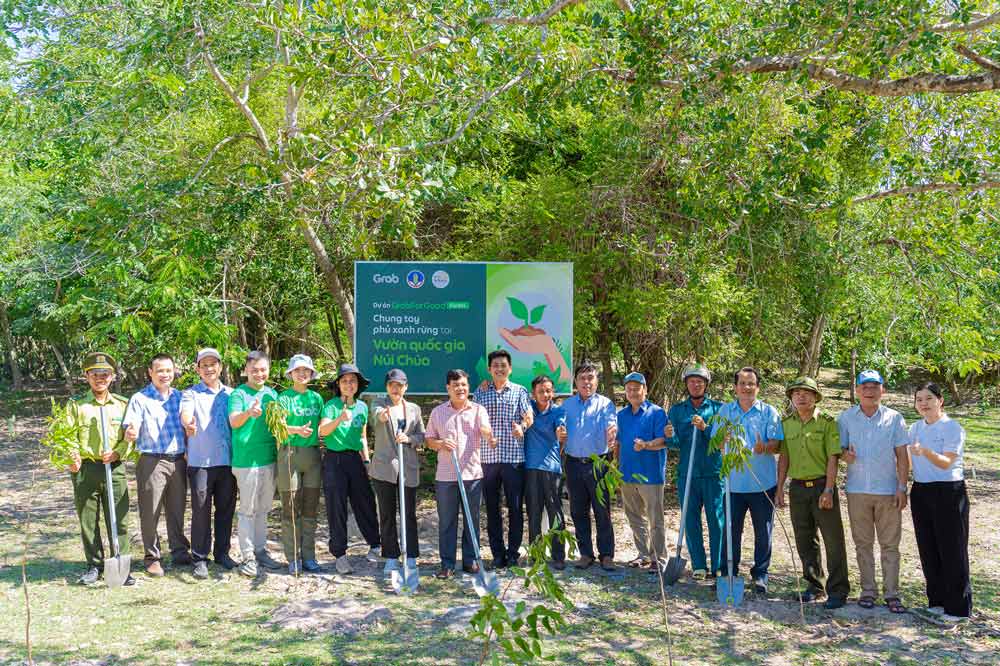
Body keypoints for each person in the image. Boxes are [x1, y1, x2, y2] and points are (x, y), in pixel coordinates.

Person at [838, 369, 910, 613]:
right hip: (857, 491)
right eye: (864, 386)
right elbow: (839, 451)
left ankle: (892, 594)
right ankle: (868, 591)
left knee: (890, 545)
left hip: (888, 491)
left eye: (874, 386)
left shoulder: (895, 418)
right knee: (863, 544)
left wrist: (902, 487)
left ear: (883, 390)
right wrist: (845, 455)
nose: (869, 391)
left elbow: (902, 456)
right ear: (857, 390)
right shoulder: (846, 418)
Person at [776, 377, 849, 609]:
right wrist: (780, 488)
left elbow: (832, 458)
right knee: (804, 540)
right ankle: (814, 584)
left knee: (833, 540)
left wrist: (828, 489)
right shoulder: (786, 423)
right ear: (791, 397)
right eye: (796, 393)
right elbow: (784, 458)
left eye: (807, 392)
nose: (801, 396)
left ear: (815, 396)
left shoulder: (827, 422)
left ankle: (838, 590)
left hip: (821, 486)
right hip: (797, 488)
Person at [63, 352, 134, 586]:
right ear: (86, 376)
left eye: (105, 374)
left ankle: (122, 563)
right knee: (88, 519)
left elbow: (129, 438)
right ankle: (94, 565)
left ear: (112, 377)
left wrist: (118, 452)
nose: (100, 378)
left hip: (114, 467)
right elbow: (67, 436)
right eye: (95, 374)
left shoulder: (123, 405)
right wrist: (72, 457)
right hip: (86, 468)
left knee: (119, 518)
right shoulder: (76, 406)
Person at [713, 367, 783, 595]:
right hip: (733, 485)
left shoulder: (768, 412)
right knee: (731, 530)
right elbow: (716, 443)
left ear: (758, 387)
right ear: (735, 387)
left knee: (763, 532)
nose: (747, 387)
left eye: (751, 383)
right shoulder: (725, 412)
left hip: (762, 484)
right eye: (742, 383)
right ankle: (728, 572)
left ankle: (760, 574)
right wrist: (722, 441)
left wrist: (766, 446)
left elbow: (778, 444)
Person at [123, 353, 191, 576]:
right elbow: (131, 425)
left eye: (168, 371)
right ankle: (152, 557)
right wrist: (130, 431)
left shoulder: (181, 397)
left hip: (178, 460)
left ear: (174, 372)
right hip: (152, 460)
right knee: (150, 511)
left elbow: (189, 423)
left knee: (177, 509)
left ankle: (179, 551)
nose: (165, 374)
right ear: (150, 373)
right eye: (160, 370)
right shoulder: (140, 399)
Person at [908, 382, 971, 621]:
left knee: (952, 548)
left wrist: (925, 452)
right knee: (928, 546)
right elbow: (909, 462)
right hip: (921, 490)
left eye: (928, 399)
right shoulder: (914, 428)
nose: (923, 404)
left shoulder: (952, 428)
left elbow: (946, 462)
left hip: (949, 492)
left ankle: (958, 608)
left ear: (940, 400)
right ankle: (937, 601)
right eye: (919, 399)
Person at [424, 369, 495, 579]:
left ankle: (470, 560)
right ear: (448, 388)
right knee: (447, 521)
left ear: (468, 387)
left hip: (472, 474)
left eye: (463, 385)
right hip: (446, 476)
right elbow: (429, 440)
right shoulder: (438, 413)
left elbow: (487, 432)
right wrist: (441, 443)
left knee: (472, 520)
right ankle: (447, 564)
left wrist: (488, 435)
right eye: (456, 385)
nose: (460, 388)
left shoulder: (478, 410)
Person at [180, 348, 237, 578]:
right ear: (197, 369)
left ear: (220, 367)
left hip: (227, 461)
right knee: (201, 510)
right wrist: (188, 424)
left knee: (225, 509)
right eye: (204, 365)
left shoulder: (232, 394)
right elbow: (185, 414)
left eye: (213, 364)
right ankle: (200, 557)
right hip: (200, 462)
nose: (209, 368)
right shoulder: (190, 394)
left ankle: (222, 553)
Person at [319, 363, 381, 575]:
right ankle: (340, 555)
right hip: (334, 460)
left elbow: (362, 436)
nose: (349, 384)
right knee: (336, 507)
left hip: (355, 459)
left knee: (366, 502)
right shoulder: (331, 405)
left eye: (352, 381)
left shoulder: (362, 407)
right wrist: (339, 418)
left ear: (358, 385)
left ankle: (375, 545)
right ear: (338, 384)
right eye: (344, 381)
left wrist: (367, 460)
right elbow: (323, 431)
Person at [473, 350, 532, 569]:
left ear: (510, 368)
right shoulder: (481, 393)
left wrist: (522, 427)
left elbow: (528, 415)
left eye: (503, 365)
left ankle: (513, 553)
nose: (499, 368)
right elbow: (474, 419)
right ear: (489, 369)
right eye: (495, 365)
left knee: (515, 508)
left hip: (513, 459)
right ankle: (497, 553)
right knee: (492, 508)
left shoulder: (519, 391)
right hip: (487, 459)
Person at [665, 364, 724, 580]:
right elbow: (675, 444)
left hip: (713, 473)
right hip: (687, 475)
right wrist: (670, 436)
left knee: (716, 519)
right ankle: (699, 564)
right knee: (690, 519)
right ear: (686, 384)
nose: (695, 384)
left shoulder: (718, 408)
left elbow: (721, 442)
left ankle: (718, 565)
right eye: (691, 381)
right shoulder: (677, 410)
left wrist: (705, 428)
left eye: (699, 381)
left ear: (706, 384)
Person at [228, 350, 281, 577]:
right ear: (246, 371)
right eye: (254, 370)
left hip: (269, 459)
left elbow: (279, 424)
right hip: (246, 460)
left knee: (263, 509)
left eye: (263, 370)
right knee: (248, 511)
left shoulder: (272, 394)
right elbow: (233, 421)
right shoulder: (238, 394)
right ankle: (247, 556)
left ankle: (261, 551)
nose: (259, 374)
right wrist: (249, 412)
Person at [562, 361, 618, 571]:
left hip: (598, 464)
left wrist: (612, 432)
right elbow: (560, 428)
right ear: (575, 382)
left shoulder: (605, 404)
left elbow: (611, 424)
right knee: (578, 511)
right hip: (573, 464)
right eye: (582, 378)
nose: (586, 382)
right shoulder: (567, 405)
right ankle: (585, 554)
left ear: (596, 381)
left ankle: (606, 555)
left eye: (590, 378)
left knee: (602, 511)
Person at [370, 368, 425, 570]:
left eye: (399, 385)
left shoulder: (414, 409)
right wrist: (383, 416)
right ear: (387, 387)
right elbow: (376, 417)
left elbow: (422, 435)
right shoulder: (378, 404)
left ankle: (410, 555)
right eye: (392, 385)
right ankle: (391, 555)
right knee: (386, 513)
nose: (396, 388)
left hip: (408, 467)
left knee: (408, 513)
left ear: (405, 387)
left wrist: (409, 439)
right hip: (384, 468)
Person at [276, 354, 324, 574]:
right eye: (298, 370)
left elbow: (324, 427)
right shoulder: (283, 398)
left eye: (306, 370)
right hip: (290, 455)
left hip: (313, 457)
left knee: (311, 509)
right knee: (290, 508)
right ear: (291, 374)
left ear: (311, 373)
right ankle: (293, 557)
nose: (302, 374)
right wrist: (296, 431)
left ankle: (309, 556)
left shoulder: (317, 398)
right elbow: (277, 428)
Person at [616, 372, 668, 575]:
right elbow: (618, 444)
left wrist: (646, 445)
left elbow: (663, 441)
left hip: (650, 475)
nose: (632, 392)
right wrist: (616, 467)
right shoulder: (621, 415)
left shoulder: (656, 413)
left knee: (655, 518)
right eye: (629, 389)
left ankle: (658, 558)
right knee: (634, 516)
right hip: (627, 474)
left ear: (645, 390)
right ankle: (643, 554)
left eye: (636, 388)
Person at [523, 375, 568, 569]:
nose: (545, 394)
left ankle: (558, 556)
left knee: (555, 513)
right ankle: (537, 554)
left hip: (551, 469)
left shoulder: (558, 411)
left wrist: (561, 432)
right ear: (534, 393)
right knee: (534, 513)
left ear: (553, 392)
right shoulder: (527, 408)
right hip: (531, 467)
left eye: (549, 390)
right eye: (541, 391)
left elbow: (561, 427)